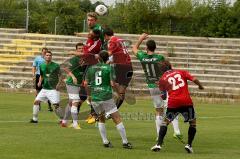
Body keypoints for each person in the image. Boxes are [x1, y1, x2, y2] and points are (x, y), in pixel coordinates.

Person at [132, 33, 182, 141]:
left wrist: (141, 38)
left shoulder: (143, 57)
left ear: (146, 48)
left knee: (158, 110)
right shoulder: (159, 57)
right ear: (155, 48)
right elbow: (168, 67)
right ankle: (176, 131)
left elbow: (134, 48)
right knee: (171, 107)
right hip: (162, 85)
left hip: (151, 86)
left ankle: (159, 135)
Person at [151, 61, 204, 153]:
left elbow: (163, 96)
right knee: (193, 123)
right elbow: (194, 79)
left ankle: (158, 144)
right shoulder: (181, 72)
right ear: (171, 66)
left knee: (165, 123)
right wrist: (200, 86)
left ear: (161, 70)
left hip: (173, 102)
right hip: (186, 101)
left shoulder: (162, 79)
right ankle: (189, 145)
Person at [84, 50, 132, 149]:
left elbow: (86, 84)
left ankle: (105, 142)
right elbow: (112, 83)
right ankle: (125, 142)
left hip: (95, 97)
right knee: (117, 118)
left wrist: (89, 95)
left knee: (101, 119)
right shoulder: (108, 68)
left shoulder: (91, 69)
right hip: (106, 96)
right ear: (107, 58)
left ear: (99, 58)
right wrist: (119, 93)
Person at [30, 51, 64, 123]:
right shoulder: (41, 65)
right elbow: (42, 75)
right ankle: (34, 119)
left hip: (53, 89)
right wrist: (39, 82)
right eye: (47, 55)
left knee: (56, 105)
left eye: (50, 55)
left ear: (51, 57)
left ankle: (62, 119)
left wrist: (58, 84)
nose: (48, 56)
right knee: (36, 102)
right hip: (45, 88)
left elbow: (61, 76)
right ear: (44, 56)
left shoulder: (56, 65)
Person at [103, 27, 133, 110]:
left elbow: (109, 53)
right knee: (117, 88)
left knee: (116, 89)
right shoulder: (119, 40)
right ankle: (114, 108)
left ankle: (113, 109)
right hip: (128, 67)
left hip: (122, 67)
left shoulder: (112, 41)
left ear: (105, 35)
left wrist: (99, 57)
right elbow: (118, 53)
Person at [61, 43, 88, 129]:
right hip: (72, 83)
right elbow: (65, 68)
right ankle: (75, 124)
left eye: (82, 48)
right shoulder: (74, 59)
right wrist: (72, 77)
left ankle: (64, 121)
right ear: (76, 50)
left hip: (79, 84)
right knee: (75, 102)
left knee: (70, 103)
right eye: (79, 48)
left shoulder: (85, 59)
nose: (81, 50)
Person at [32, 48, 53, 112]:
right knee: (38, 90)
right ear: (41, 52)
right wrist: (33, 74)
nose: (44, 53)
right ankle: (38, 105)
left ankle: (49, 106)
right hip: (39, 75)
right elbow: (34, 66)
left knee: (48, 91)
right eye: (43, 52)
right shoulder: (37, 58)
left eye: (45, 52)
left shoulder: (48, 59)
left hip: (46, 76)